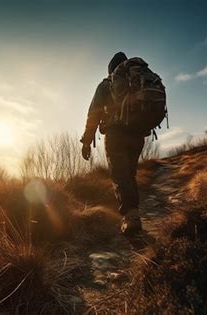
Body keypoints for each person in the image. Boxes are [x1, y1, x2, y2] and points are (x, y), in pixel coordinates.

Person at [80, 52, 147, 236]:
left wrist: (86, 142)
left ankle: (131, 216)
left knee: (119, 175)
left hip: (116, 133)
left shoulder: (105, 84)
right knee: (129, 173)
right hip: (137, 134)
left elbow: (93, 114)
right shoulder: (137, 80)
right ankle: (134, 212)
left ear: (111, 69)